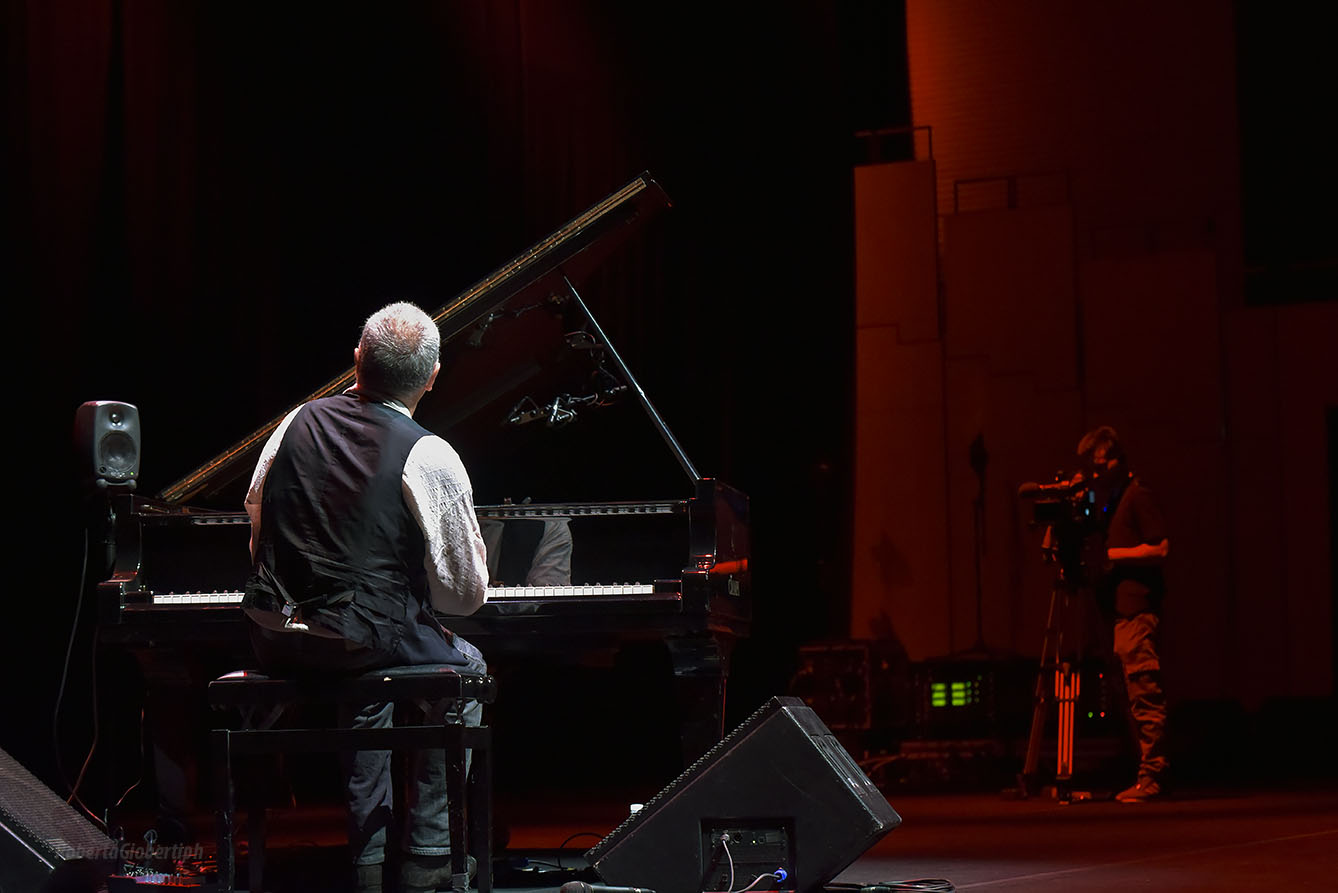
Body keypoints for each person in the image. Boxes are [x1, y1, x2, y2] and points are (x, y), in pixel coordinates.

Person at [242, 301, 490, 893]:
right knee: (463, 670)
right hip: (360, 641)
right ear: (432, 378)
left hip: (275, 635)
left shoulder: (294, 423)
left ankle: (366, 865)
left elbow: (257, 513)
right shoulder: (428, 453)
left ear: (356, 359)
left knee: (371, 680)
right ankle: (428, 859)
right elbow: (463, 595)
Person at [1076, 425, 1170, 803]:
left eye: (1103, 463)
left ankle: (1153, 775)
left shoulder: (1137, 496)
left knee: (1144, 691)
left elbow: (1161, 548)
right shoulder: (1108, 502)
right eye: (1093, 465)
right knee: (1131, 695)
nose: (1098, 471)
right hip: (1117, 610)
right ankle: (1143, 771)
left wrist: (1114, 557)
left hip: (1136, 609)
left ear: (1119, 459)